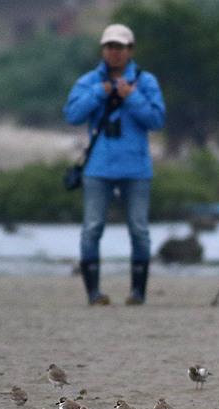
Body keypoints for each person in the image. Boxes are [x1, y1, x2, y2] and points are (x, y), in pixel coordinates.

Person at [64, 24, 166, 306]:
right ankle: (93, 292)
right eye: (109, 47)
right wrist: (100, 93)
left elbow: (156, 120)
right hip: (98, 168)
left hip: (136, 168)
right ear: (102, 50)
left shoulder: (146, 82)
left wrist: (131, 97)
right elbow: (72, 114)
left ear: (130, 50)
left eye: (120, 47)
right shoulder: (88, 82)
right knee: (92, 228)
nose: (114, 53)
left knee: (139, 229)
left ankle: (138, 292)